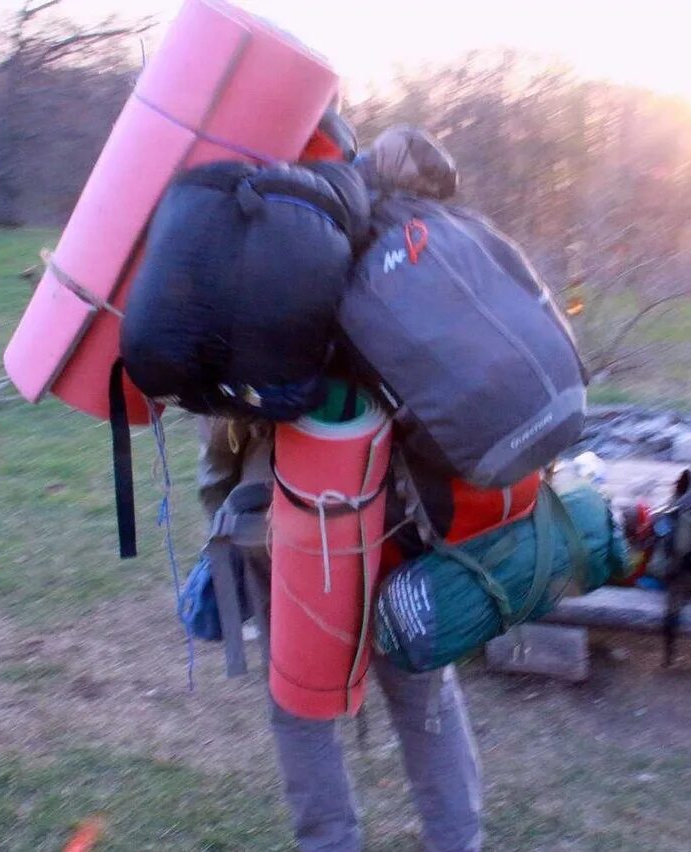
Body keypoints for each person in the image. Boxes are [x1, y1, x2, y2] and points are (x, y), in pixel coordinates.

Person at [194, 126, 482, 852]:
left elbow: (224, 430)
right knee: (424, 696)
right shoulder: (418, 259)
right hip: (402, 524)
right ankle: (457, 840)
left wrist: (219, 504)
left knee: (301, 708)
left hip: (289, 525)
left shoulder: (280, 250)